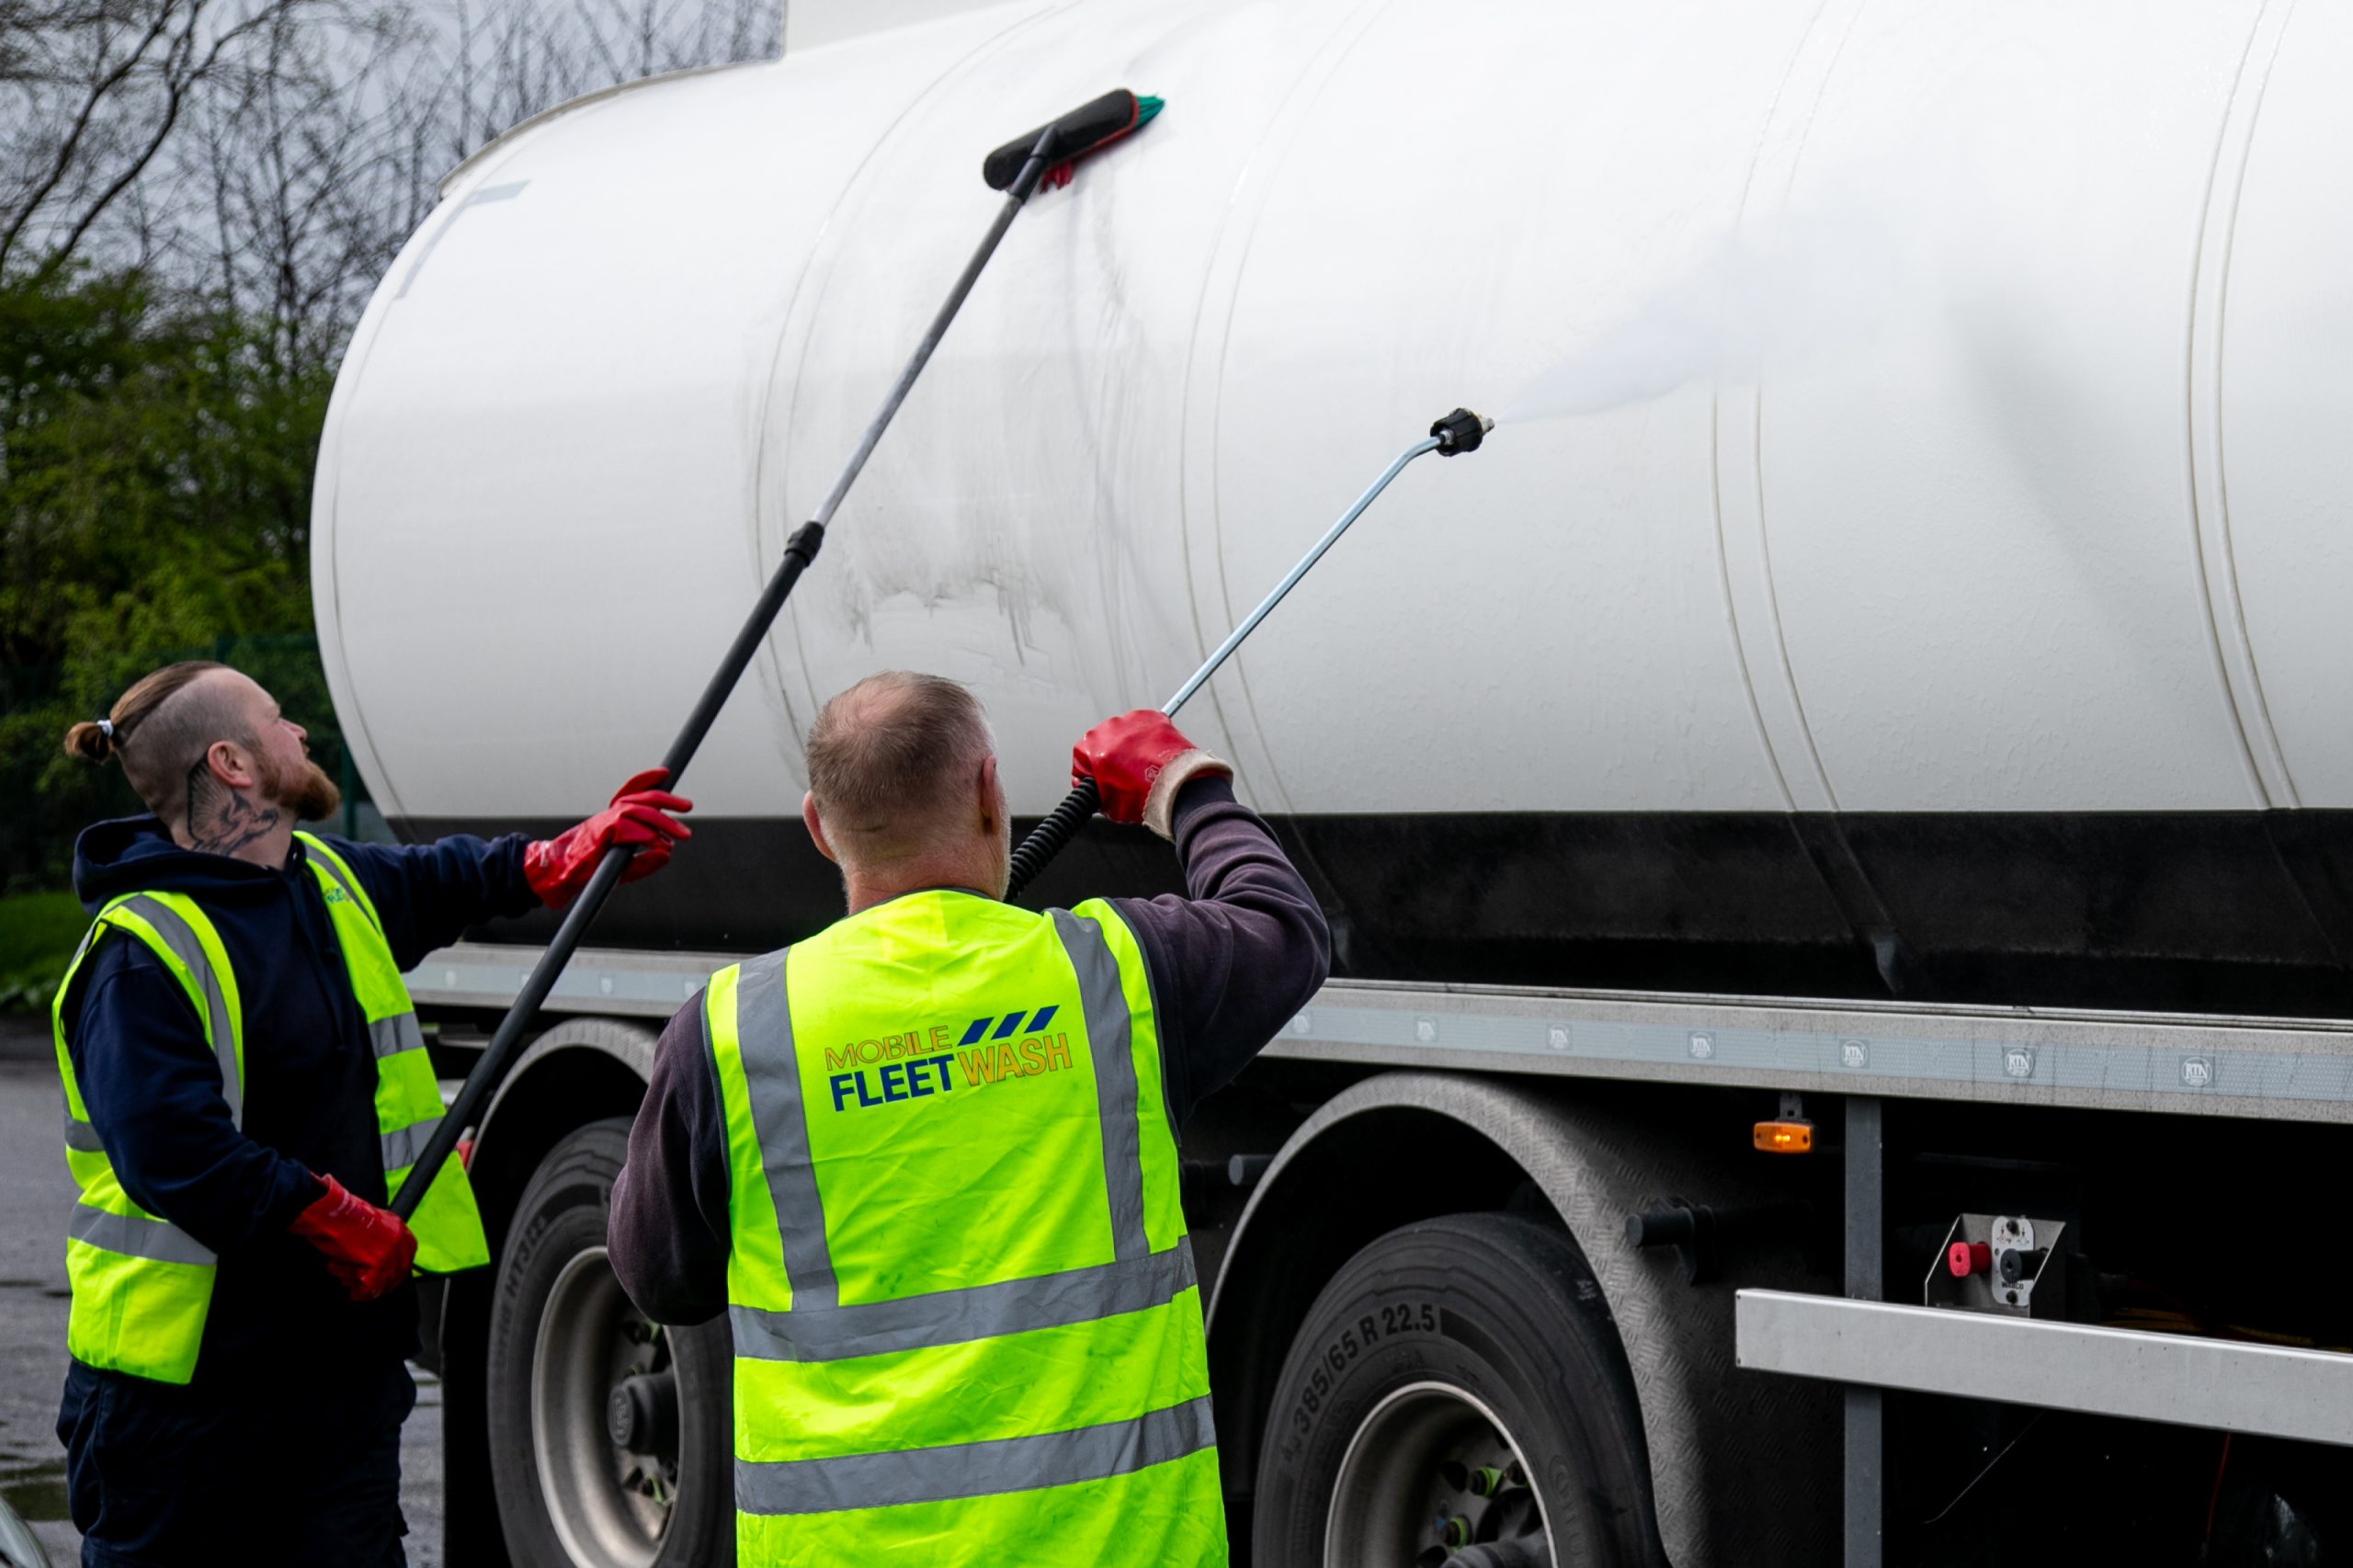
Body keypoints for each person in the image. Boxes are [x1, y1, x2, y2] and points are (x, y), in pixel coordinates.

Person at [608, 671, 1331, 1566]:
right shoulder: (1108, 975)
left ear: (818, 827)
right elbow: (1283, 926)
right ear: (991, 792)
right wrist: (1184, 782)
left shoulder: (731, 1028)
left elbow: (658, 1280)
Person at [50, 660, 692, 1566]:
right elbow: (173, 1152)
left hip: (336, 1389)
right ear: (233, 763)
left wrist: (559, 857)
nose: (300, 733)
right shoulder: (141, 953)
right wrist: (329, 1216)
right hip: (186, 1415)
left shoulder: (323, 881)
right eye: (279, 720)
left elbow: (440, 879)